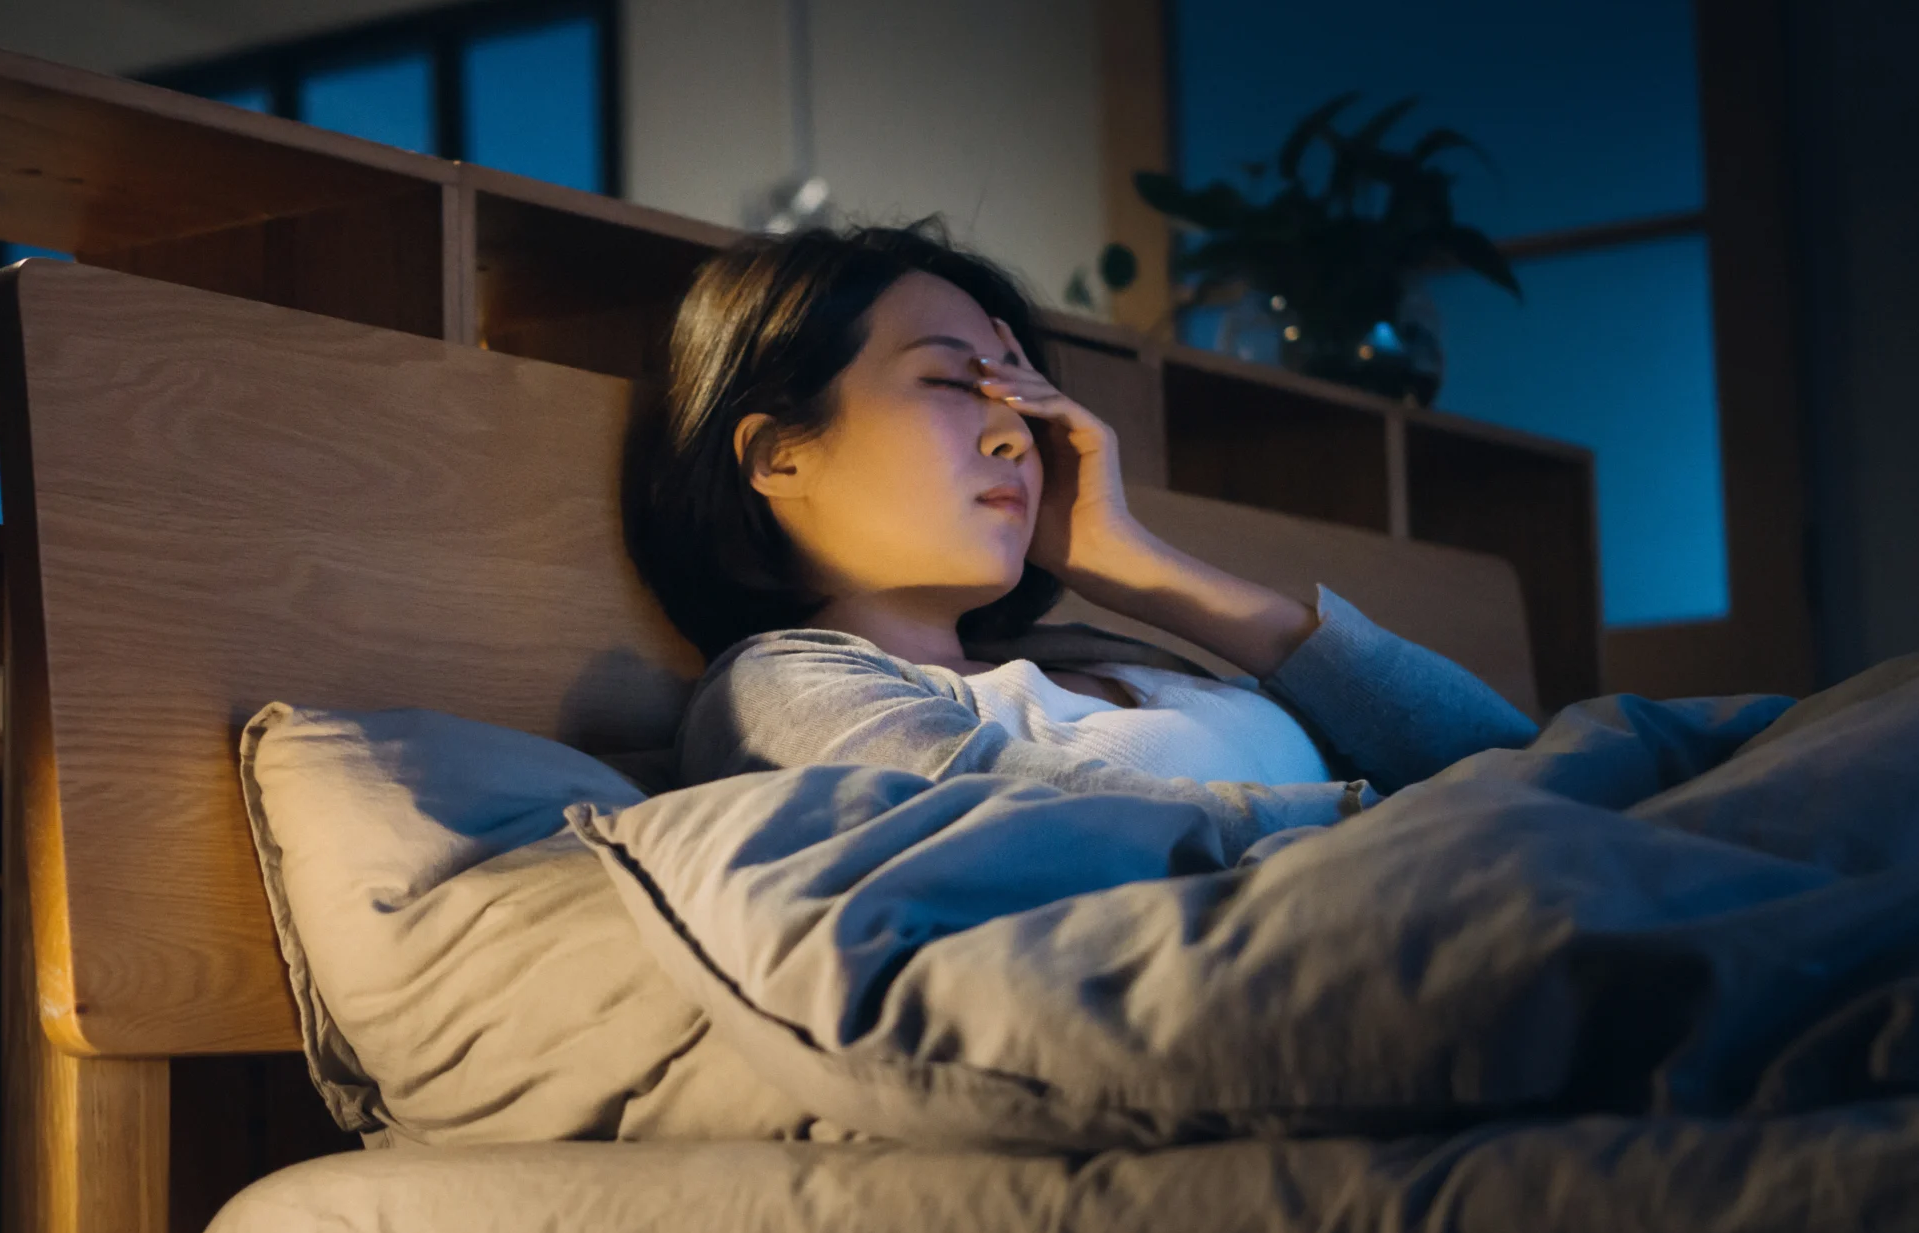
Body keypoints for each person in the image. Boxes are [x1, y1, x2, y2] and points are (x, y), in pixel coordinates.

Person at [624, 221, 1551, 864]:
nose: (1014, 434)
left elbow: (1501, 751)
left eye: (1019, 398)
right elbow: (1058, 821)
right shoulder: (780, 689)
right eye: (955, 383)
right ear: (780, 455)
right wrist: (1451, 817)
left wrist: (1135, 566)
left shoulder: (1089, 656)